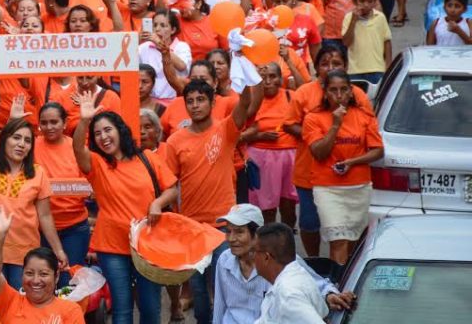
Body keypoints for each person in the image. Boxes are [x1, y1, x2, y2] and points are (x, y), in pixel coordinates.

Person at [71, 95, 178, 324]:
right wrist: (84, 122)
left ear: (120, 130)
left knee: (150, 308)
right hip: (112, 246)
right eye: (97, 133)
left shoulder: (148, 158)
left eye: (107, 130)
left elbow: (172, 189)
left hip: (148, 244)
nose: (103, 137)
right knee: (122, 309)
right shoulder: (98, 164)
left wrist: (157, 203)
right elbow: (77, 147)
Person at [165, 79, 257, 324]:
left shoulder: (226, 129)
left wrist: (246, 77)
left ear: (213, 102)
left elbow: (246, 103)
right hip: (192, 230)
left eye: (201, 100)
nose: (195, 106)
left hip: (225, 228)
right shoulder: (175, 141)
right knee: (198, 294)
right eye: (190, 101)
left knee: (228, 291)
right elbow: (170, 185)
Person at [0, 106, 67, 310]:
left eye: (27, 141)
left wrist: (58, 250)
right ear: (5, 139)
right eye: (16, 138)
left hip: (24, 251)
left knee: (20, 306)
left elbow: (44, 216)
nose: (22, 144)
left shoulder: (38, 173)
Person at [213, 206, 352, 324]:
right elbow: (219, 307)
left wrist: (329, 296)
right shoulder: (224, 261)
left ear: (257, 235)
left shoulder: (283, 263)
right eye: (228, 231)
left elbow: (318, 285)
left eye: (239, 232)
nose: (231, 239)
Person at [303, 70, 384, 266]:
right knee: (338, 241)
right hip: (328, 188)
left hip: (358, 187)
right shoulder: (313, 118)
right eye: (333, 90)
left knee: (355, 243)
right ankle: (338, 287)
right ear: (325, 92)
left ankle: (350, 281)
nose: (338, 95)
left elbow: (378, 151)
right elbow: (319, 152)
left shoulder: (364, 115)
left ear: (351, 91)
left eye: (343, 90)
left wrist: (352, 162)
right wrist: (335, 125)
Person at [0, 204, 85, 324]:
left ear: (56, 276)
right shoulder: (11, 302)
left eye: (43, 274)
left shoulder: (70, 310)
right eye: (29, 273)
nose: (36, 280)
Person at [33, 103, 90, 287]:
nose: (49, 127)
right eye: (44, 123)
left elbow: (90, 181)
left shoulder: (77, 148)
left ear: (65, 123)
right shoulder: (31, 146)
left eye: (54, 122)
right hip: (40, 229)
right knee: (43, 282)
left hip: (75, 227)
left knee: (70, 282)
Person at [241, 64, 297, 227]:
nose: (268, 81)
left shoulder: (290, 96)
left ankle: (288, 237)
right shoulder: (251, 101)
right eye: (263, 78)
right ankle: (267, 241)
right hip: (261, 157)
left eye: (273, 76)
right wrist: (260, 136)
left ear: (280, 79)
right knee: (266, 207)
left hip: (289, 156)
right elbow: (239, 134)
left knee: (289, 203)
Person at [254, 223, 330, 323]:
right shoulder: (296, 276)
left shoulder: (288, 294)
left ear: (266, 257)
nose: (252, 257)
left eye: (254, 251)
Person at [342, 0, 392, 84]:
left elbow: (387, 42)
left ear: (374, 2)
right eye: (362, 1)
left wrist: (388, 66)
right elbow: (346, 42)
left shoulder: (380, 17)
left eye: (370, 1)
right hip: (355, 71)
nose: (366, 5)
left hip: (377, 69)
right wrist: (353, 21)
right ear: (355, 1)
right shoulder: (348, 18)